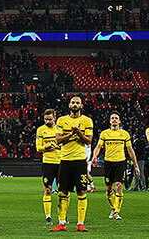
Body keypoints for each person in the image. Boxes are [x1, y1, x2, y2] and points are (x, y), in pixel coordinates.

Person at [50, 96, 93, 232]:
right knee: (62, 192)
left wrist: (78, 132)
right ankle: (62, 223)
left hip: (80, 161)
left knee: (81, 191)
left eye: (77, 103)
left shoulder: (87, 121)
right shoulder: (62, 120)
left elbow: (88, 141)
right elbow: (58, 140)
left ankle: (80, 223)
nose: (75, 105)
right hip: (65, 160)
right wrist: (71, 135)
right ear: (69, 105)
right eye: (73, 102)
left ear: (81, 105)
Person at [91, 111, 140, 221]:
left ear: (119, 121)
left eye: (116, 118)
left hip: (120, 162)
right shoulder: (104, 133)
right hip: (108, 163)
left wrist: (136, 165)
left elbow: (130, 150)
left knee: (118, 185)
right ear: (109, 121)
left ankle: (117, 211)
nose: (114, 120)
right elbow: (98, 146)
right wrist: (95, 155)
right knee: (109, 188)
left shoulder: (124, 134)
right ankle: (113, 208)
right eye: (112, 118)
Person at [36, 109, 62, 225]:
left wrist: (59, 146)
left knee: (63, 191)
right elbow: (38, 147)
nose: (47, 121)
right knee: (47, 189)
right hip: (48, 163)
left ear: (54, 118)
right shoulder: (41, 130)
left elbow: (65, 144)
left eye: (50, 119)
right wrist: (48, 146)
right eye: (46, 119)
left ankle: (63, 215)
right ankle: (48, 217)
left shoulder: (60, 129)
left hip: (61, 162)